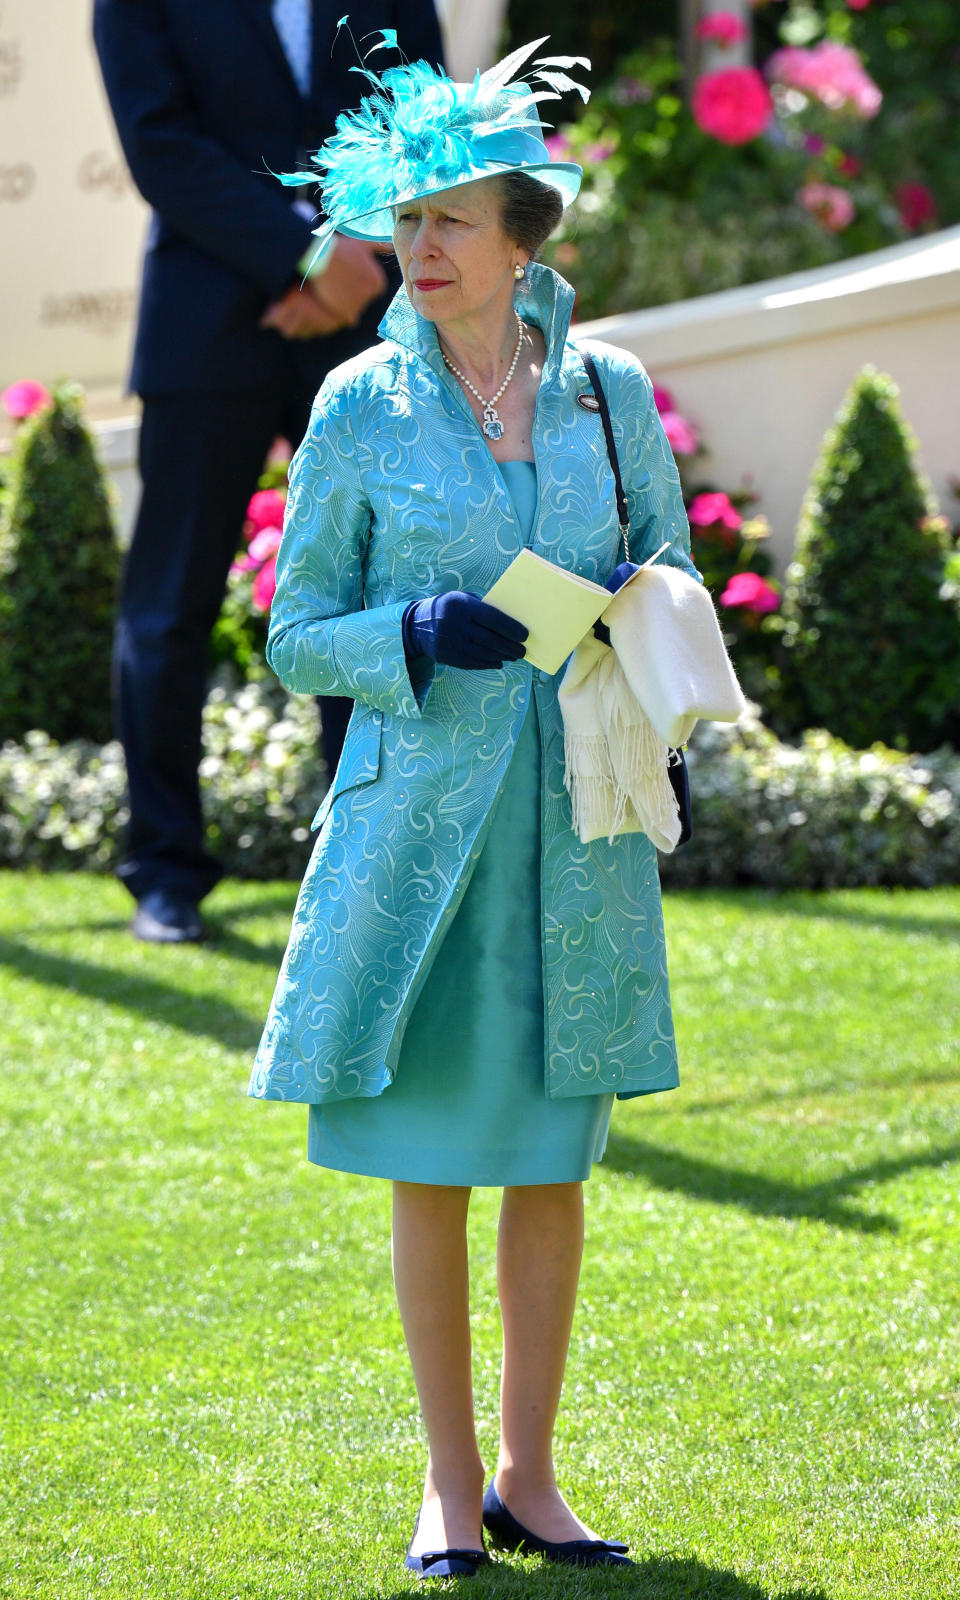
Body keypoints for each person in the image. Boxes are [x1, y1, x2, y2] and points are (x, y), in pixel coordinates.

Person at [249, 35, 699, 1581]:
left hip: (573, 825)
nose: (413, 248)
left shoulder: (605, 386)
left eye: (449, 221)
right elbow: (296, 626)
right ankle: (451, 1489)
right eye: (401, 218)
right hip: (420, 827)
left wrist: (637, 602)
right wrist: (416, 635)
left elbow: (672, 560)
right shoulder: (356, 404)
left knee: (551, 1161)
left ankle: (533, 1474)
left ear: (525, 235)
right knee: (434, 1157)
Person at [92, 0, 444, 944]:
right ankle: (165, 870)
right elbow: (160, 145)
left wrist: (353, 264)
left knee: (373, 594)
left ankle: (359, 857)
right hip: (207, 323)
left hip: (364, 318)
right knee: (169, 608)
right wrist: (303, 258)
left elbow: (422, 125)